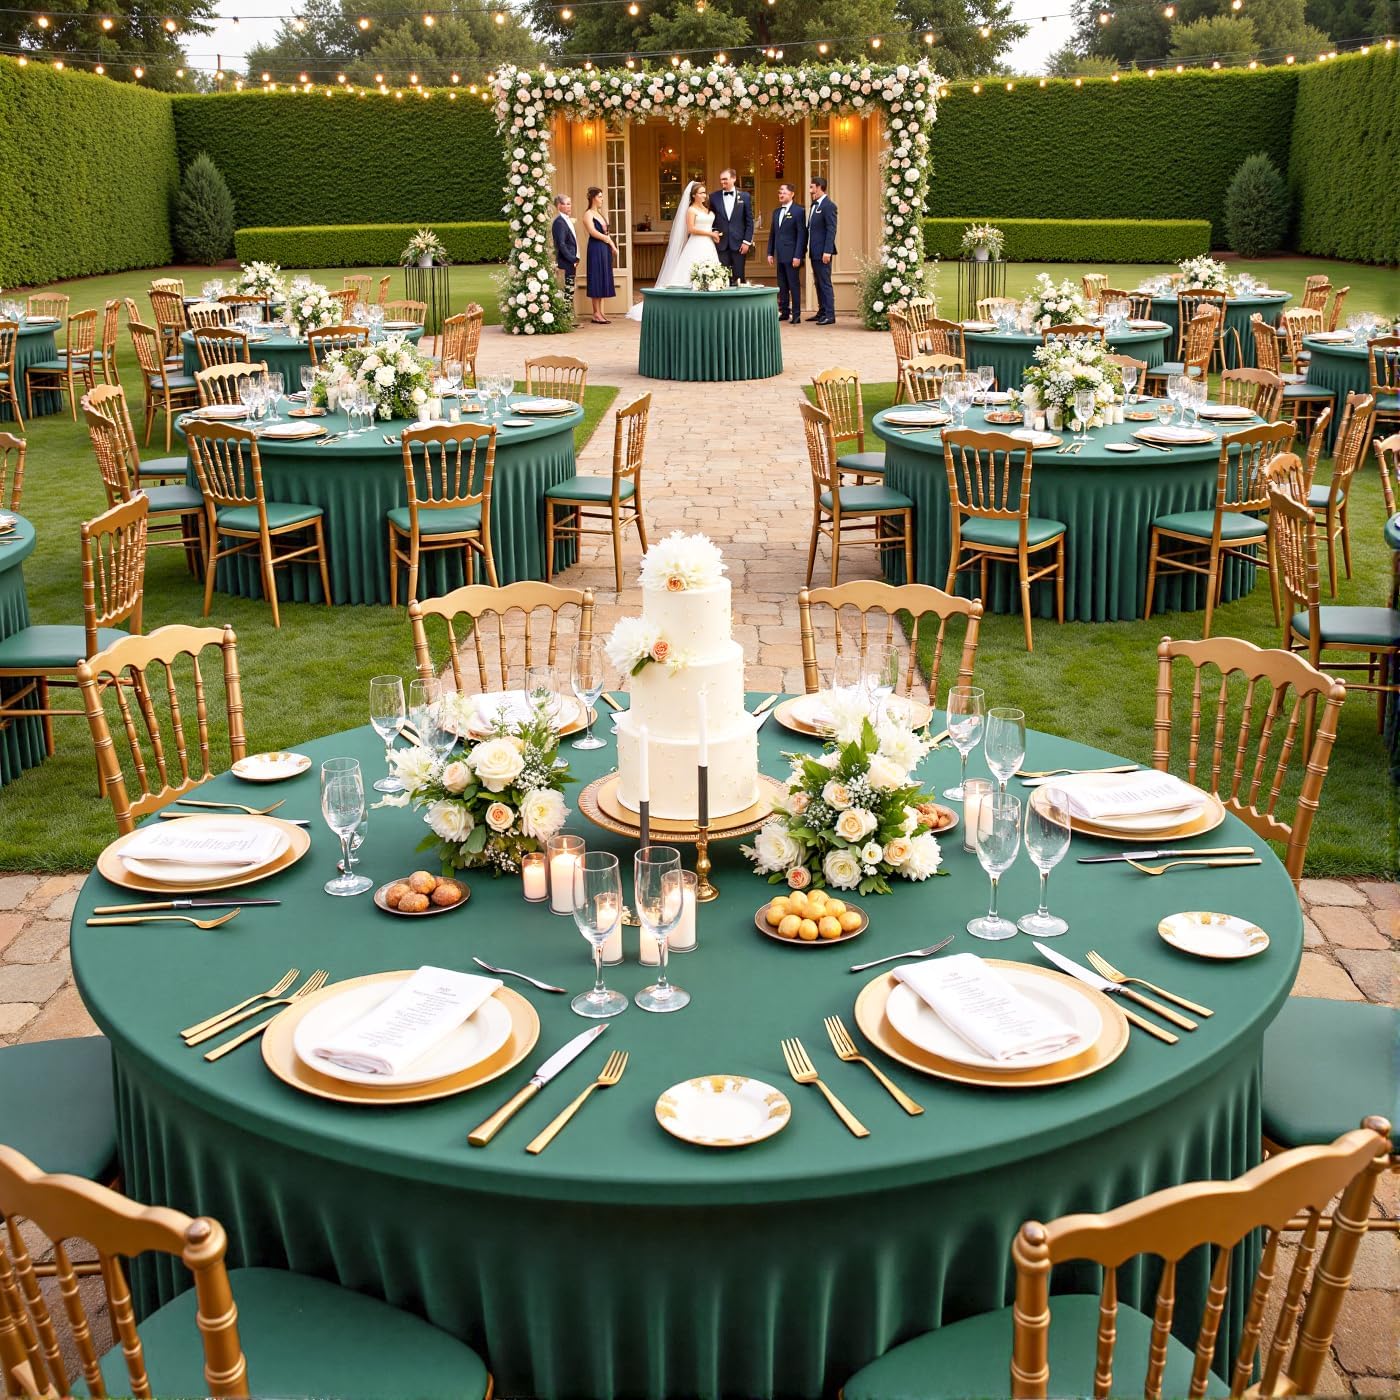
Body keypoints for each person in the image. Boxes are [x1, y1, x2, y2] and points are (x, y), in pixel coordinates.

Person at [625, 181, 721, 321]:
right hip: (696, 244)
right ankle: (688, 306)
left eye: (704, 192)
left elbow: (708, 226)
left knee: (711, 272)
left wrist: (714, 234)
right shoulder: (691, 210)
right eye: (701, 193)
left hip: (709, 245)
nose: (704, 195)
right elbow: (691, 229)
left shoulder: (707, 209)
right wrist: (710, 234)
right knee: (689, 275)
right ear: (693, 195)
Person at [766, 182, 806, 325]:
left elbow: (801, 235)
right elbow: (773, 234)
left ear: (792, 194)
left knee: (793, 285)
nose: (781, 195)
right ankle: (784, 312)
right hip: (780, 254)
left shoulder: (799, 211)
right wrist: (770, 252)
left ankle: (796, 314)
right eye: (779, 192)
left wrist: (798, 255)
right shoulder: (776, 212)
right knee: (782, 284)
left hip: (792, 255)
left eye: (784, 192)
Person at [710, 168, 755, 285]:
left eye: (725, 179)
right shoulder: (714, 197)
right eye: (721, 179)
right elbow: (712, 219)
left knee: (739, 277)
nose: (722, 182)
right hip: (721, 243)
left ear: (734, 178)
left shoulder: (745, 196)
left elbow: (749, 221)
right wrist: (714, 232)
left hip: (739, 244)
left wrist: (747, 242)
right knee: (722, 278)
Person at [583, 186, 617, 324]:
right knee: (596, 277)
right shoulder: (588, 214)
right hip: (595, 248)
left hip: (604, 249)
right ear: (593, 198)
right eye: (600, 197)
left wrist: (612, 246)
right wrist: (607, 240)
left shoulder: (601, 214)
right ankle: (596, 313)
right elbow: (592, 232)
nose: (602, 199)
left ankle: (600, 312)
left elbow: (607, 233)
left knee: (603, 277)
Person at [807, 177, 838, 325]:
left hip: (823, 252)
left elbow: (831, 229)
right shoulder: (814, 205)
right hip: (814, 251)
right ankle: (822, 312)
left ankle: (830, 315)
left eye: (812, 187)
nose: (810, 190)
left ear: (819, 187)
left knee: (825, 283)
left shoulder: (828, 206)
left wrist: (827, 251)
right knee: (818, 282)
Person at [551, 195, 579, 317]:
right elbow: (561, 244)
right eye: (566, 204)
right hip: (566, 262)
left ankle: (568, 318)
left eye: (569, 203)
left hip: (570, 261)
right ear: (559, 206)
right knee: (567, 291)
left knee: (570, 290)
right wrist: (572, 259)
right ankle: (566, 318)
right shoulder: (559, 222)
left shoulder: (566, 220)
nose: (569, 206)